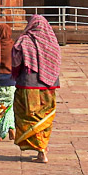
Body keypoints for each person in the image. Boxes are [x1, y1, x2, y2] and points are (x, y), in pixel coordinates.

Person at [11, 14, 61, 163]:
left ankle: (40, 150)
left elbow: (15, 61)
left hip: (29, 84)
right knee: (44, 116)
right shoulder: (52, 42)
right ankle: (43, 149)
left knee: (28, 115)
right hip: (48, 86)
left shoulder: (24, 40)